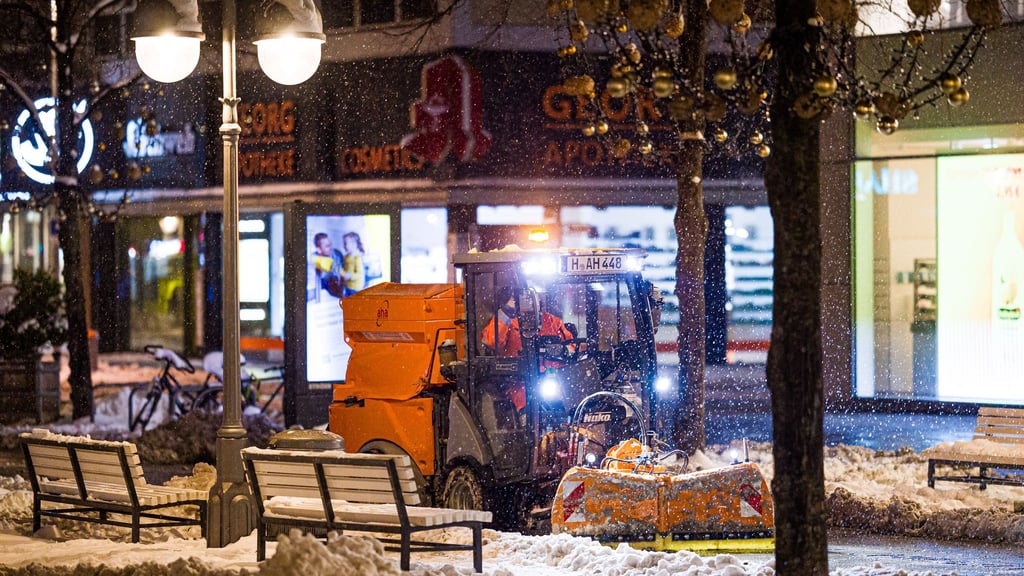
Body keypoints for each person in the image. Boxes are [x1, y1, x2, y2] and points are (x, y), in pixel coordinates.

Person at [313, 232, 345, 298]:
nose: (331, 248)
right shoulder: (315, 259)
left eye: (331, 244)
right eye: (327, 246)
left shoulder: (337, 253)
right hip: (327, 294)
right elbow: (335, 268)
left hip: (342, 288)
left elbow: (342, 269)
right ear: (319, 249)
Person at [340, 232, 366, 297]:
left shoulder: (357, 258)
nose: (344, 245)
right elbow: (345, 268)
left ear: (354, 244)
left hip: (356, 287)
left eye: (346, 243)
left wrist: (350, 276)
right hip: (348, 285)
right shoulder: (346, 257)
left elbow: (360, 274)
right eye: (344, 243)